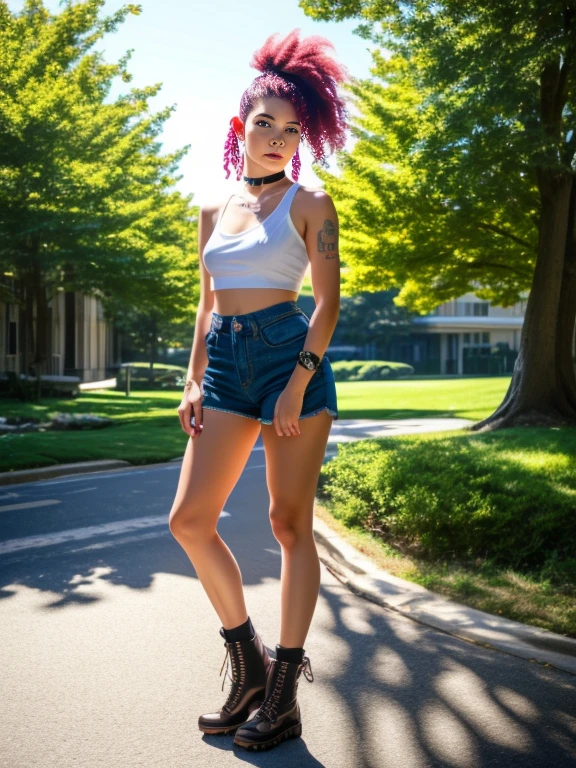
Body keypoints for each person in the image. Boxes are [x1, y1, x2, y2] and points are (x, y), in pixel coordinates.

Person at [168, 28, 349, 752]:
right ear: (241, 129)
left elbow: (329, 306)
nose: (277, 138)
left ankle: (284, 691)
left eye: (291, 129)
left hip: (289, 361)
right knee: (188, 521)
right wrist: (191, 378)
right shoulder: (213, 211)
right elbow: (207, 307)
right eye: (265, 124)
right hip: (225, 368)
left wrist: (296, 384)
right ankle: (248, 662)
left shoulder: (313, 204)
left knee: (287, 523)